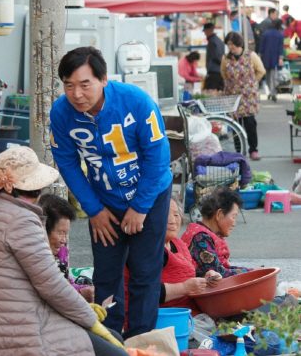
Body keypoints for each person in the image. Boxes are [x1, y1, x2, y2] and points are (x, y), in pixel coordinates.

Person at [49, 46, 173, 339]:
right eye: (69, 85)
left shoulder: (137, 102)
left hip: (150, 196)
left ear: (103, 79)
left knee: (144, 272)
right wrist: (93, 209)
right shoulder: (61, 112)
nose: (76, 94)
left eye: (84, 84)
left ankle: (142, 339)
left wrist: (140, 207)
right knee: (106, 274)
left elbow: (158, 157)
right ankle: (110, 339)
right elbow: (66, 162)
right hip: (103, 202)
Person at [0, 146, 127, 355]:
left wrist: (82, 309)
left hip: (9, 325)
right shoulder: (20, 220)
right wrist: (90, 320)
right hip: (26, 333)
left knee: (112, 338)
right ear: (35, 188)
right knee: (116, 351)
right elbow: (51, 284)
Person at [123, 194, 222, 327]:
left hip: (183, 314)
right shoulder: (146, 248)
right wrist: (184, 288)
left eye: (176, 215)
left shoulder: (176, 242)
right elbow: (145, 291)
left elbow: (186, 273)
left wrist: (206, 275)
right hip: (157, 320)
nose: (172, 221)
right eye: (164, 214)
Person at [181, 186, 253, 278]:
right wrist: (252, 273)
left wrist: (252, 271)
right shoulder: (200, 237)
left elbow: (225, 268)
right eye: (233, 217)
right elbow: (219, 274)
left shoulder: (202, 233)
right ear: (219, 214)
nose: (234, 224)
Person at [39, 193, 96, 303]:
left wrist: (83, 290)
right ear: (43, 230)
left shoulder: (61, 253)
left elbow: (67, 283)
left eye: (66, 234)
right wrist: (80, 293)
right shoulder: (35, 261)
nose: (64, 240)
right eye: (60, 233)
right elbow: (55, 293)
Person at [221, 31, 266, 161]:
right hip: (233, 97)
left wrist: (252, 83)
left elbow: (261, 71)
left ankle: (253, 150)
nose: (231, 47)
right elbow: (223, 74)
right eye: (228, 44)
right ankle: (239, 151)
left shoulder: (251, 56)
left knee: (250, 123)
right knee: (235, 125)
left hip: (249, 97)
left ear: (238, 43)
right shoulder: (226, 58)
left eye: (232, 44)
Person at [259, 19, 285, 102]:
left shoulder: (266, 34)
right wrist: (281, 58)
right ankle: (273, 93)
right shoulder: (280, 35)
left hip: (266, 57)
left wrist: (259, 56)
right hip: (275, 58)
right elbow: (281, 48)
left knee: (267, 76)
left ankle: (271, 91)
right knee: (274, 76)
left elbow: (262, 46)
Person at [203, 23, 226, 91]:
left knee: (208, 92)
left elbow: (215, 56)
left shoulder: (212, 42)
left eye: (204, 31)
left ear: (207, 31)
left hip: (214, 71)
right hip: (219, 70)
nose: (205, 33)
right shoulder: (218, 40)